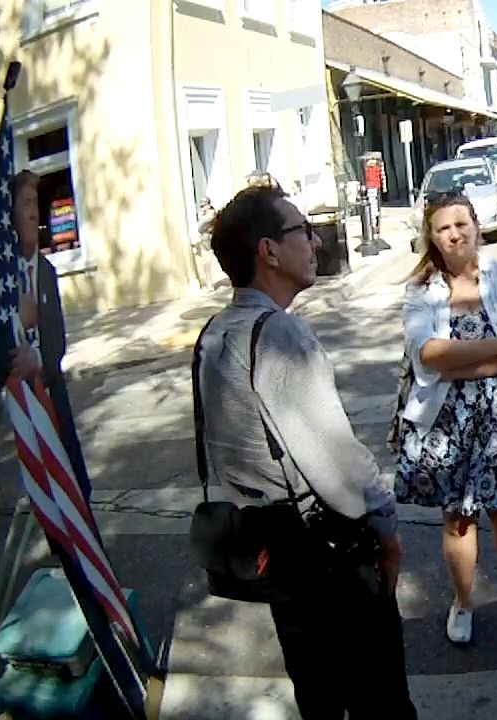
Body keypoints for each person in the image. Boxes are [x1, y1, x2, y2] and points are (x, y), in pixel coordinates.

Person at [196, 185, 415, 719]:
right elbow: (338, 461)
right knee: (380, 700)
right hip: (326, 550)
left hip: (273, 546)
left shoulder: (216, 331)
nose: (316, 242)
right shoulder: (279, 334)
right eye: (303, 230)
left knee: (318, 694)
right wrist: (385, 527)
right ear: (268, 251)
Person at [393, 194, 497, 646]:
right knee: (458, 519)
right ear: (431, 237)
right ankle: (463, 602)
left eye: (461, 224)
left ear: (476, 225)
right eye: (443, 228)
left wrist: (457, 363)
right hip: (448, 423)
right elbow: (427, 356)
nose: (454, 234)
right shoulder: (421, 290)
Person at [0, 169, 92, 499]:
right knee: (47, 498)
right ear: (11, 217)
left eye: (36, 204)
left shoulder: (47, 272)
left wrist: (38, 359)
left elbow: (58, 341)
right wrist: (18, 325)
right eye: (26, 204)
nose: (34, 214)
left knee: (76, 490)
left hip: (54, 399)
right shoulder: (5, 284)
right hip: (26, 412)